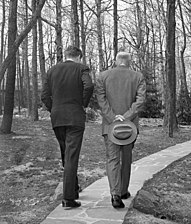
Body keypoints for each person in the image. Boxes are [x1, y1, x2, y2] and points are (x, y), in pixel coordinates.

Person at [41, 46, 94, 208]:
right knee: (71, 155)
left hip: (57, 118)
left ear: (66, 56)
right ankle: (68, 198)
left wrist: (53, 108)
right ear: (78, 56)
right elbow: (89, 86)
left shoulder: (52, 71)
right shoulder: (81, 69)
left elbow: (44, 95)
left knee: (66, 153)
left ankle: (74, 188)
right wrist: (82, 104)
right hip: (75, 117)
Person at [96, 51, 146, 209]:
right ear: (129, 62)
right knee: (126, 158)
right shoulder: (138, 77)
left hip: (110, 126)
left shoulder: (102, 76)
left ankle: (115, 194)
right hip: (130, 127)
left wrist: (113, 118)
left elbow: (101, 100)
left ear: (116, 61)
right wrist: (126, 117)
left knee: (112, 159)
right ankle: (123, 190)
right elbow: (140, 100)